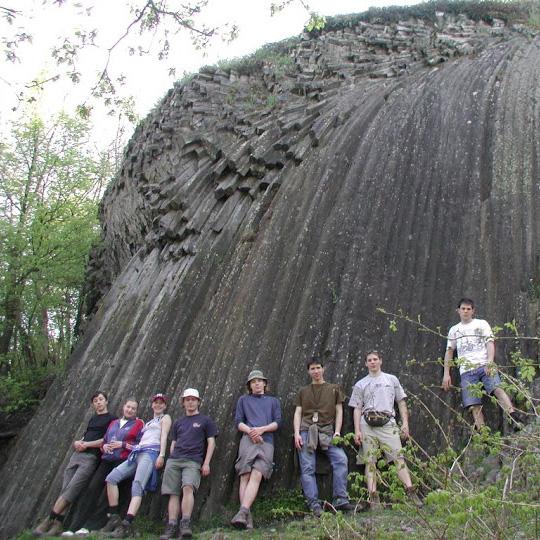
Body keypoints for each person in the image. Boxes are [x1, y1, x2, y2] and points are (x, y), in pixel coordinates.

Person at [33, 391, 116, 537]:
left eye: (101, 399)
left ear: (106, 401)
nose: (98, 402)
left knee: (72, 488)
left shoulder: (112, 419)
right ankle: (58, 524)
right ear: (93, 404)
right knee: (65, 488)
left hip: (91, 457)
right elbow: (87, 435)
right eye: (95, 400)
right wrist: (79, 442)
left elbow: (106, 440)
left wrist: (86, 444)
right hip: (77, 455)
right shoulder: (93, 419)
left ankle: (49, 519)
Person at [349, 350, 422, 510]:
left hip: (388, 423)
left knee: (398, 458)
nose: (373, 362)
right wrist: (357, 430)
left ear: (380, 361)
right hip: (367, 425)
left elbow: (401, 401)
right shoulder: (360, 384)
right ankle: (373, 498)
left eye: (375, 359)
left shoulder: (391, 379)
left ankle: (411, 492)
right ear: (366, 363)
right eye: (369, 360)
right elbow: (357, 408)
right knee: (370, 461)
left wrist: (405, 424)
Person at [63, 398, 144, 536]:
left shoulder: (139, 424)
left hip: (122, 461)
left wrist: (123, 444)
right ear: (123, 407)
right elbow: (105, 441)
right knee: (92, 489)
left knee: (107, 494)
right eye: (128, 407)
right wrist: (104, 446)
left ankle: (90, 526)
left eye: (133, 408)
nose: (130, 410)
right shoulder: (114, 422)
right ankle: (75, 526)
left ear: (136, 411)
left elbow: (139, 446)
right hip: (106, 460)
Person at [442, 297, 520, 430]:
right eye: (463, 309)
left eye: (468, 309)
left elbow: (490, 342)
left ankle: (514, 418)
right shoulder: (454, 330)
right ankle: (483, 434)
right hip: (466, 371)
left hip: (484, 365)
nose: (465, 311)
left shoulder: (481, 324)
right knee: (473, 404)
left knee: (497, 388)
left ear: (473, 311)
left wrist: (490, 362)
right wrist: (446, 374)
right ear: (458, 311)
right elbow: (449, 352)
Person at [102, 393, 172, 538]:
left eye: (161, 403)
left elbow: (164, 436)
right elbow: (139, 441)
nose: (158, 405)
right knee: (111, 478)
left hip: (150, 453)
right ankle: (114, 516)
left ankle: (127, 523)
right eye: (156, 402)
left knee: (137, 485)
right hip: (137, 452)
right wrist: (123, 445)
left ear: (165, 405)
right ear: (152, 404)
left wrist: (161, 455)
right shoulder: (147, 423)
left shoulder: (165, 418)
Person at [293, 358, 354, 516]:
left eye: (318, 368)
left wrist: (337, 432)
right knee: (307, 467)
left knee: (341, 459)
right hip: (307, 430)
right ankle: (314, 504)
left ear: (323, 369)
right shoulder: (303, 391)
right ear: (308, 371)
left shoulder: (334, 388)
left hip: (327, 431)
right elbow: (298, 413)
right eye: (312, 368)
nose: (316, 371)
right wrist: (297, 434)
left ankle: (340, 499)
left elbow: (339, 411)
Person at [159, 388, 218, 539]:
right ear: (183, 403)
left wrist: (206, 463)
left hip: (193, 460)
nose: (190, 402)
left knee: (188, 487)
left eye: (193, 399)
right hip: (175, 460)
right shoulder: (178, 422)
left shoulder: (205, 420)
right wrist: (171, 457)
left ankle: (185, 523)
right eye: (187, 400)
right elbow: (173, 443)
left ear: (198, 402)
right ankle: (172, 525)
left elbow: (211, 443)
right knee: (173, 493)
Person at [230, 370, 282, 530]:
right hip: (248, 439)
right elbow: (238, 421)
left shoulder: (273, 401)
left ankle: (242, 512)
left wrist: (261, 429)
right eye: (253, 382)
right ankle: (247, 518)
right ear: (249, 386)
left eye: (259, 381)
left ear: (265, 383)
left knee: (257, 474)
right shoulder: (243, 400)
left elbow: (278, 422)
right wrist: (251, 432)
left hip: (266, 441)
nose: (257, 383)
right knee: (245, 474)